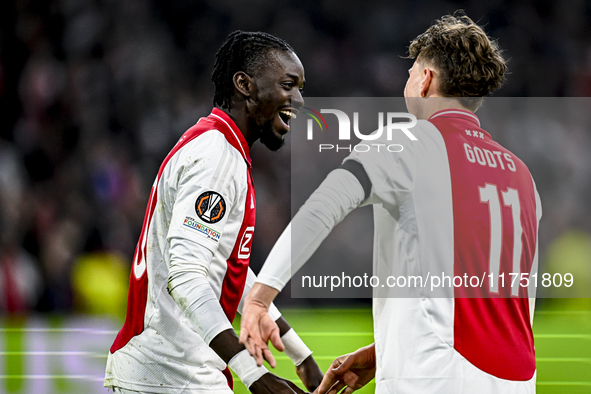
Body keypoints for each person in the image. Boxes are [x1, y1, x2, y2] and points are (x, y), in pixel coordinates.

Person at [240, 14, 541, 393]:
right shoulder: (520, 173)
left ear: (426, 80)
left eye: (411, 73)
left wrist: (259, 298)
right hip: (516, 381)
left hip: (432, 376)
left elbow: (322, 208)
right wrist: (385, 351)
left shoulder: (405, 142)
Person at [104, 31, 323, 394]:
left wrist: (301, 355)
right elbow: (188, 276)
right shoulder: (216, 159)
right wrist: (256, 377)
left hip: (167, 372)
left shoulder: (216, 146)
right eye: (288, 85)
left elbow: (220, 269)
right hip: (170, 375)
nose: (298, 100)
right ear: (244, 84)